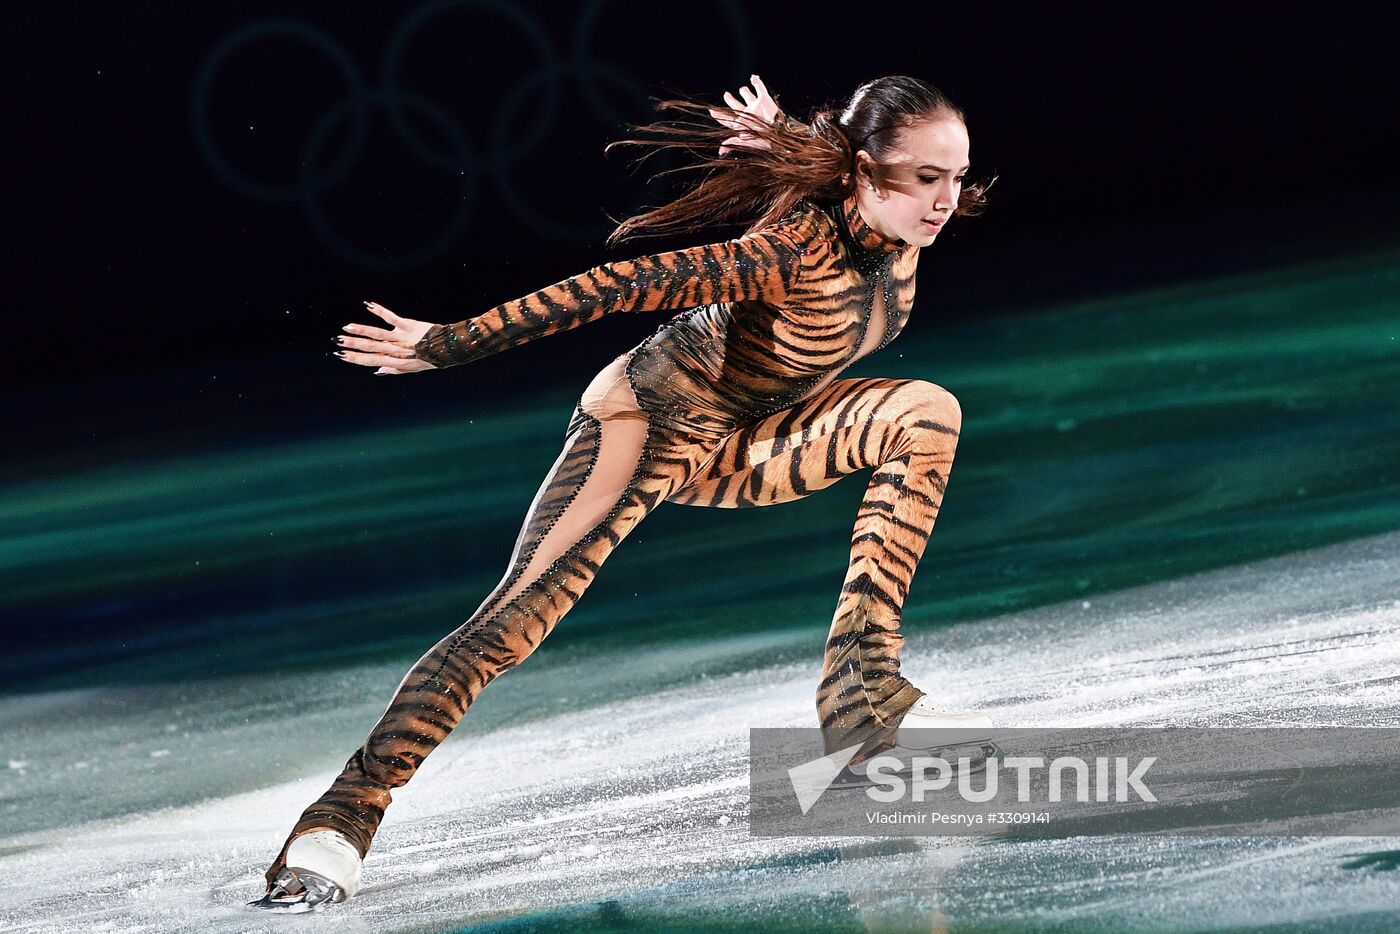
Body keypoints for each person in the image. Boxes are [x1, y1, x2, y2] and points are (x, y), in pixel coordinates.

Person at [256, 74, 997, 909]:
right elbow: (619, 287)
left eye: (957, 177)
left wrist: (789, 138)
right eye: (925, 178)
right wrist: (449, 343)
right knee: (514, 622)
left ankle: (859, 700)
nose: (946, 200)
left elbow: (831, 172)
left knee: (926, 412)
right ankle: (342, 817)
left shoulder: (889, 228)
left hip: (748, 436)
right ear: (865, 172)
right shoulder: (790, 252)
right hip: (648, 421)